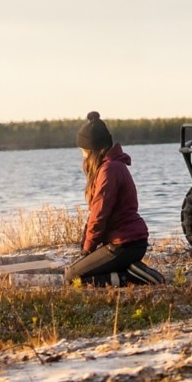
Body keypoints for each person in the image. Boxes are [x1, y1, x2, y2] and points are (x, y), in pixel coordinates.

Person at [64, 111, 165, 287]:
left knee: (72, 277)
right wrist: (86, 249)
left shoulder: (109, 171)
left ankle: (131, 277)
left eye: (84, 152)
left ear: (93, 150)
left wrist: (88, 249)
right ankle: (132, 269)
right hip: (128, 242)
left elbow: (99, 215)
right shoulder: (112, 167)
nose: (83, 157)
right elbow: (95, 214)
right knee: (78, 270)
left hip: (125, 244)